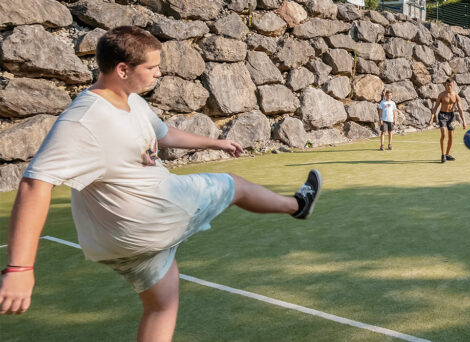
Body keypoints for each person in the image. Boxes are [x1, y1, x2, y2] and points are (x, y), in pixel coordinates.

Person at [0, 26, 322, 341]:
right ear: (123, 69)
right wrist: (19, 269)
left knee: (162, 303)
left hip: (117, 243)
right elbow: (34, 183)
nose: (158, 74)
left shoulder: (130, 100)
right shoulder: (85, 120)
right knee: (233, 184)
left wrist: (214, 143)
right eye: (152, 67)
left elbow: (164, 134)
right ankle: (299, 205)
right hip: (157, 215)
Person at [428, 78, 467, 163]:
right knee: (444, 134)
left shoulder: (456, 96)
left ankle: (447, 154)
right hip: (442, 115)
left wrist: (464, 121)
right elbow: (435, 107)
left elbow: (460, 109)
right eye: (447, 85)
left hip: (451, 116)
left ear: (453, 86)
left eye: (450, 85)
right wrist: (431, 118)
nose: (449, 87)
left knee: (451, 136)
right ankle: (443, 155)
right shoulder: (441, 95)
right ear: (445, 85)